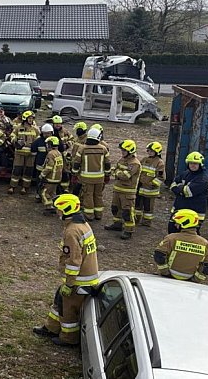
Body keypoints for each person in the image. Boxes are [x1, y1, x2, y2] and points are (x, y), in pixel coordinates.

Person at [33, 194, 99, 347]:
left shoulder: (72, 231)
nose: (57, 212)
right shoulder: (83, 225)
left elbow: (74, 261)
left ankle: (69, 338)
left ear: (66, 210)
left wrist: (69, 284)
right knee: (60, 299)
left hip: (78, 281)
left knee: (69, 309)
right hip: (86, 277)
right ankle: (51, 327)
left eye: (59, 209)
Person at [154, 209, 208, 283]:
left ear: (184, 223)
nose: (175, 225)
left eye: (177, 223)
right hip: (190, 281)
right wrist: (196, 279)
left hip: (168, 277)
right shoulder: (205, 243)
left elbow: (159, 255)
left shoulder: (171, 238)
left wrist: (165, 272)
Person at [104, 140, 141, 240]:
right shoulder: (122, 160)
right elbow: (115, 170)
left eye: (124, 150)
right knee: (115, 208)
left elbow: (125, 176)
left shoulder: (135, 164)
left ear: (130, 151)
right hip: (117, 190)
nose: (122, 152)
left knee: (127, 212)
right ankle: (117, 224)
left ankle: (129, 230)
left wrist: (117, 172)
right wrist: (118, 172)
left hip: (127, 192)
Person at [72, 128, 110, 221]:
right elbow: (107, 163)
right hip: (100, 178)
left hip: (86, 178)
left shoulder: (82, 148)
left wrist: (75, 173)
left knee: (88, 195)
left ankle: (89, 215)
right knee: (98, 195)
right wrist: (107, 175)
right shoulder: (103, 149)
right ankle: (98, 214)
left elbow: (76, 163)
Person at [169, 151, 208, 234]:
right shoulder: (186, 173)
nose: (193, 165)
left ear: (200, 164)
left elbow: (187, 192)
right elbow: (173, 185)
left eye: (195, 163)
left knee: (190, 236)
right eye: (191, 163)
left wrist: (179, 188)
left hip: (194, 213)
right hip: (179, 209)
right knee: (172, 231)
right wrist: (180, 189)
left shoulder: (203, 179)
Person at [8, 111, 39, 195]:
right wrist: (15, 140)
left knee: (28, 171)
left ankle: (25, 187)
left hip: (30, 154)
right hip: (19, 153)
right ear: (25, 119)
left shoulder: (35, 129)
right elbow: (12, 135)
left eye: (32, 118)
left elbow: (38, 140)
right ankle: (12, 186)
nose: (31, 120)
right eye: (29, 118)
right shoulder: (18, 127)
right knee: (17, 170)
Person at [135, 142, 165, 228]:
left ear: (157, 152)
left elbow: (161, 177)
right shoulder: (144, 159)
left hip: (150, 191)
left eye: (152, 151)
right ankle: (136, 219)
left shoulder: (160, 163)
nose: (149, 152)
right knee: (138, 206)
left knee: (148, 208)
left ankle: (146, 222)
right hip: (140, 189)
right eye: (149, 150)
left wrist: (151, 184)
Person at [39, 137, 63, 216]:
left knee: (44, 193)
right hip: (57, 178)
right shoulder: (58, 153)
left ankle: (49, 207)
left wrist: (42, 175)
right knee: (53, 193)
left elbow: (49, 167)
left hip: (51, 178)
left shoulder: (50, 154)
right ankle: (57, 206)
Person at [31, 123, 55, 203]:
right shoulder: (38, 141)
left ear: (52, 133)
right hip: (40, 166)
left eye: (48, 133)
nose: (47, 135)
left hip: (52, 167)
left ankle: (49, 196)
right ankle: (38, 194)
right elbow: (33, 150)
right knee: (39, 181)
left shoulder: (55, 140)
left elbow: (61, 149)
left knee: (50, 182)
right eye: (45, 133)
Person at [51, 115, 72, 191]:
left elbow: (72, 139)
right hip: (52, 155)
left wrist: (67, 145)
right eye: (56, 123)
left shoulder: (65, 131)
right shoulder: (50, 131)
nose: (58, 125)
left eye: (59, 123)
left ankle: (65, 188)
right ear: (53, 123)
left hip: (63, 154)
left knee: (64, 171)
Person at [67, 121, 88, 196]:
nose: (77, 132)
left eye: (78, 130)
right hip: (74, 162)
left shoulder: (86, 140)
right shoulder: (77, 139)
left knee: (79, 182)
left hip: (80, 164)